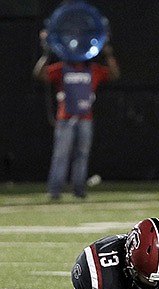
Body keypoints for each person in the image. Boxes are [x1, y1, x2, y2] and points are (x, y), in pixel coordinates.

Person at [33, 29, 120, 200]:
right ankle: (54, 191)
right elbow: (39, 74)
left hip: (86, 118)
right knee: (61, 156)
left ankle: (79, 191)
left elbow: (114, 74)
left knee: (82, 156)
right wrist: (46, 54)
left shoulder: (93, 70)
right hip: (65, 118)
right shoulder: (62, 69)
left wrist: (108, 54)